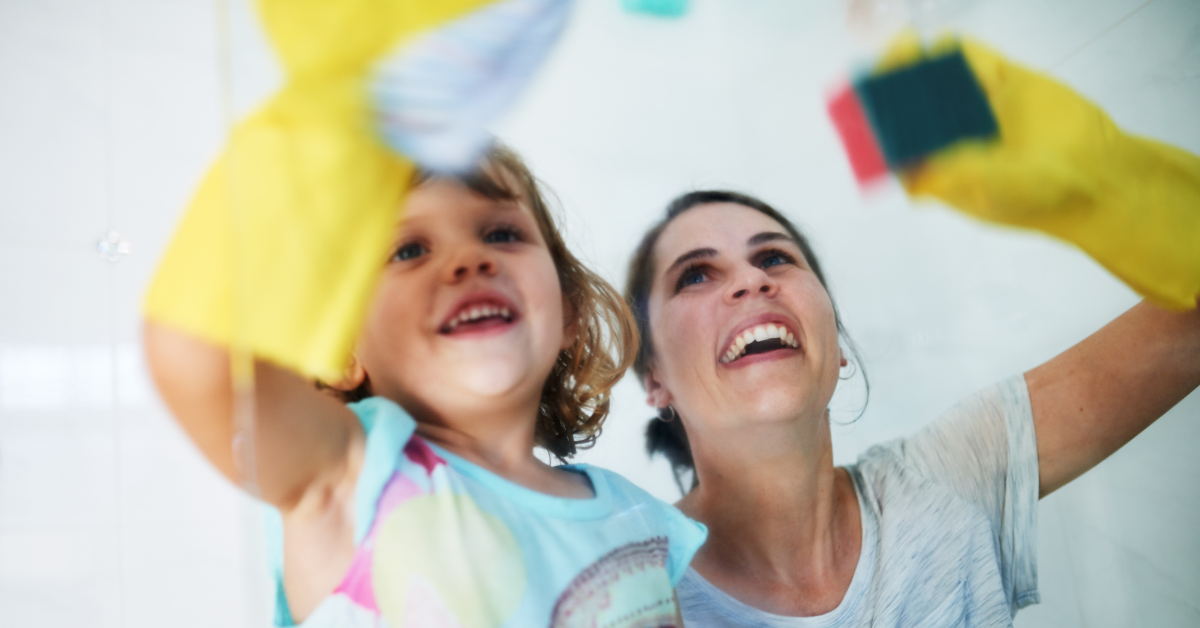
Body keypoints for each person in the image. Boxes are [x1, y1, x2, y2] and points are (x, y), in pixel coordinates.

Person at [144, 145, 706, 627]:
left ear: (567, 310)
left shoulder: (640, 520)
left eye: (502, 233)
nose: (470, 259)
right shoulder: (350, 474)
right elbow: (193, 353)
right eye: (409, 250)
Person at [624, 189, 1200, 626]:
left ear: (838, 345)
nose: (751, 279)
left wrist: (1095, 186)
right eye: (696, 275)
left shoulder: (945, 478)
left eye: (775, 258)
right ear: (655, 379)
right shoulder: (621, 587)